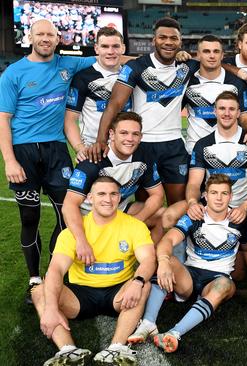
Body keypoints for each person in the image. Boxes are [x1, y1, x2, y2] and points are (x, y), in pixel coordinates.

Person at [0, 19, 97, 303]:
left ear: (58, 39)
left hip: (56, 151)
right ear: (30, 38)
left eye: (50, 35)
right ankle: (34, 278)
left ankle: (56, 272)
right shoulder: (13, 74)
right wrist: (10, 161)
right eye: (39, 34)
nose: (45, 38)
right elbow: (3, 120)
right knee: (29, 217)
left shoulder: (68, 65)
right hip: (24, 153)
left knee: (66, 215)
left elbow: (109, 55)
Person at [31, 176, 156, 365]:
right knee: (39, 290)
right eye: (102, 194)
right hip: (80, 295)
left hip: (118, 294)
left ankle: (116, 348)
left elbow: (148, 260)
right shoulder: (75, 231)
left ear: (119, 197)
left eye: (113, 194)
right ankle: (69, 352)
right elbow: (55, 269)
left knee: (144, 284)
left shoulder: (134, 226)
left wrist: (137, 282)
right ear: (90, 198)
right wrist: (50, 307)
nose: (108, 199)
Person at [128, 174, 247, 353]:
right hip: (189, 277)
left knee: (225, 285)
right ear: (205, 195)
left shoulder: (240, 221)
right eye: (214, 193)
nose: (219, 198)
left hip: (218, 279)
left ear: (231, 197)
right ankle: (148, 323)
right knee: (165, 259)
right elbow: (168, 240)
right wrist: (163, 262)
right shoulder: (195, 215)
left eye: (224, 193)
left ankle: (173, 333)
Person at [90, 17, 200, 205]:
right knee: (146, 208)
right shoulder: (137, 67)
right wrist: (101, 140)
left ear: (180, 42)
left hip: (174, 145)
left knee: (179, 205)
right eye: (162, 37)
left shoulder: (187, 67)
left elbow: (219, 65)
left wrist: (244, 75)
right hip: (142, 145)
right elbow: (114, 104)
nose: (168, 42)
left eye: (173, 38)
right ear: (153, 40)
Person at [162, 91, 247, 274]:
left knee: (239, 273)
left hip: (242, 205)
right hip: (213, 202)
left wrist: (245, 206)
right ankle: (180, 269)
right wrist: (193, 203)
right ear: (214, 111)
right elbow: (194, 183)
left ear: (239, 112)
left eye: (232, 109)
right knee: (170, 215)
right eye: (222, 108)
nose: (227, 113)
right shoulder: (203, 145)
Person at [62, 112, 164, 266]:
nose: (130, 139)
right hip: (90, 215)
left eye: (135, 134)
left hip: (119, 210)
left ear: (141, 137)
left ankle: (143, 264)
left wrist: (136, 222)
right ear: (112, 134)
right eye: (123, 133)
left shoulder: (145, 154)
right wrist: (81, 241)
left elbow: (157, 195)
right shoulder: (92, 159)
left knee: (160, 215)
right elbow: (69, 205)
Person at [184, 34, 247, 154]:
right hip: (193, 151)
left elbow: (244, 115)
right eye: (206, 51)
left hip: (227, 153)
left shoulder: (236, 83)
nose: (211, 56)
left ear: (222, 55)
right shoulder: (187, 82)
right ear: (198, 55)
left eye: (216, 51)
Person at [64, 27, 128, 150]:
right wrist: (80, 148)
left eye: (115, 46)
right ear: (96, 48)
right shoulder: (83, 77)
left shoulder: (132, 74)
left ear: (123, 48)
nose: (110, 51)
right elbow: (70, 120)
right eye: (105, 46)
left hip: (126, 149)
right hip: (94, 149)